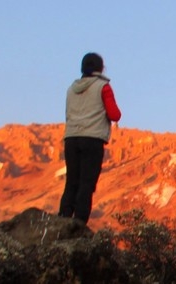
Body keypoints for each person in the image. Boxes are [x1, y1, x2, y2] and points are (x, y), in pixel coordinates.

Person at [58, 52, 121, 224]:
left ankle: (62, 220)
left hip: (71, 138)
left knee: (71, 181)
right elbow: (115, 114)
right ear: (101, 68)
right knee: (87, 183)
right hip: (92, 139)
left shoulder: (71, 89)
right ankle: (79, 223)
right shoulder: (103, 87)